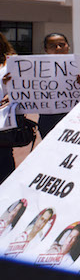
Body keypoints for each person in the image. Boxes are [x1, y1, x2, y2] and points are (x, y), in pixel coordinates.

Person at [37, 33, 80, 139]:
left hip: (73, 116)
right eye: (53, 46)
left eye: (62, 45)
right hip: (48, 118)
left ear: (68, 46)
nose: (58, 48)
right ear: (46, 49)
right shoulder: (36, 68)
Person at [0, 33, 17, 181]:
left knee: (4, 158)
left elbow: (22, 87)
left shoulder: (10, 62)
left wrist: (9, 87)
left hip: (3, 119)